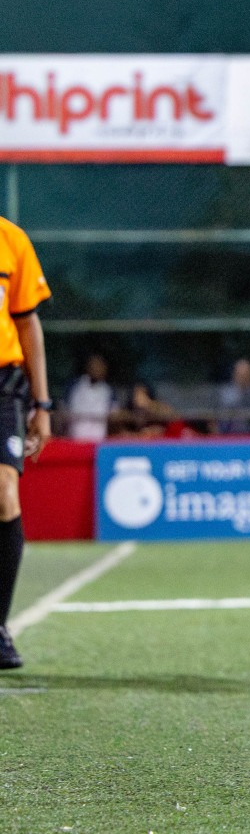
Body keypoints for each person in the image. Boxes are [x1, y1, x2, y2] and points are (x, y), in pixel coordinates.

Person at [0, 217, 52, 669]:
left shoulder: (11, 239)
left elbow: (28, 323)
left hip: (3, 385)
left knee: (4, 495)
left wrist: (42, 403)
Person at [63, 353, 113, 441]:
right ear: (88, 367)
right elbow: (64, 411)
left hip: (99, 440)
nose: (96, 369)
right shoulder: (75, 386)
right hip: (76, 438)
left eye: (99, 366)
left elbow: (114, 414)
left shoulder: (108, 390)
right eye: (94, 365)